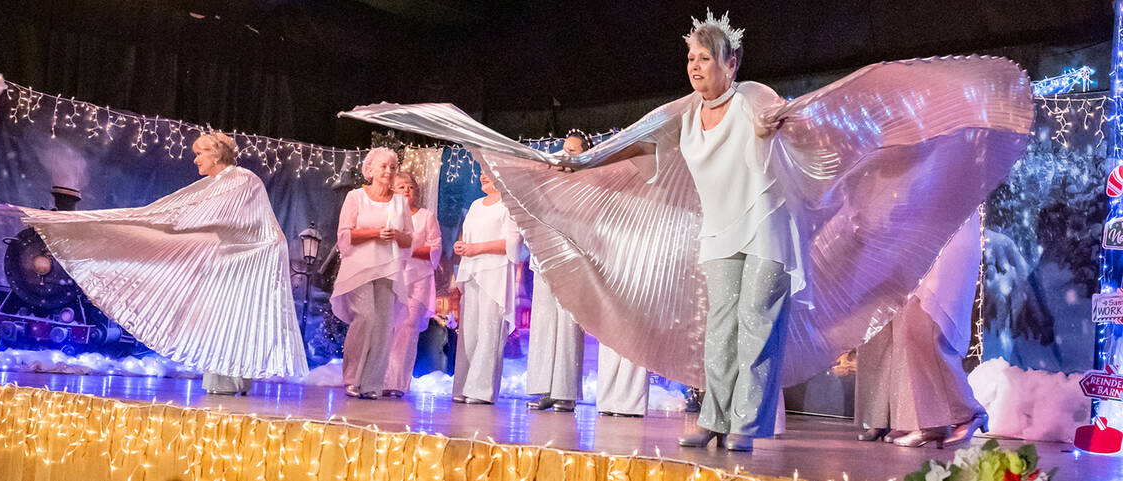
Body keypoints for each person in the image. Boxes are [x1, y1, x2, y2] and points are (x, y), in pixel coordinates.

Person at [340, 9, 1032, 450]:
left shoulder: (755, 98)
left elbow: (788, 122)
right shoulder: (681, 113)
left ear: (732, 63)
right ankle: (716, 419)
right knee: (716, 333)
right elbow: (632, 142)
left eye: (708, 58)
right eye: (692, 60)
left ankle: (740, 426)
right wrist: (579, 159)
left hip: (765, 237)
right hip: (717, 240)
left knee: (754, 334)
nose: (698, 68)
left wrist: (779, 125)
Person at [3, 132, 309, 392]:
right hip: (233, 254)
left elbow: (222, 218)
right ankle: (225, 381)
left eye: (200, 153)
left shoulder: (240, 179)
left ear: (216, 156)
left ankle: (231, 381)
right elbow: (198, 213)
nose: (195, 159)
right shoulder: (222, 182)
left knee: (229, 316)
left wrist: (161, 223)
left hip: (251, 257)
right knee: (220, 316)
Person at [855, 214, 988, 447]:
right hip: (920, 228)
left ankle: (962, 414)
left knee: (926, 324)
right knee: (900, 322)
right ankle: (915, 418)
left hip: (945, 230)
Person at [331, 147, 414, 399]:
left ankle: (372, 383)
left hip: (388, 268)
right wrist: (375, 232)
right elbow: (344, 234)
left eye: (392, 167)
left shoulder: (400, 202)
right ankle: (352, 377)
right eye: (383, 166)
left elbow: (409, 239)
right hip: (359, 267)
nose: (388, 171)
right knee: (365, 317)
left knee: (383, 324)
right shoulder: (356, 197)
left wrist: (396, 235)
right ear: (370, 170)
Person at [526, 132, 591, 412]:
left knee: (568, 324)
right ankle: (544, 388)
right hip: (544, 257)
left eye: (574, 151)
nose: (567, 155)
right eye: (565, 149)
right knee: (543, 323)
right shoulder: (546, 182)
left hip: (571, 260)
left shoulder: (588, 184)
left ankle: (565, 391)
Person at [451, 172, 524, 404]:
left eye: (488, 171)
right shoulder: (475, 205)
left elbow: (513, 243)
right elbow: (469, 236)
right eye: (480, 171)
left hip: (495, 272)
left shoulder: (509, 204)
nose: (483, 176)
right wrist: (462, 246)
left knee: (489, 331)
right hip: (473, 270)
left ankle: (481, 390)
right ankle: (463, 385)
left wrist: (477, 249)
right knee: (470, 331)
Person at [382, 172, 442, 398]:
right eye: (401, 187)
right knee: (387, 330)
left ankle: (397, 384)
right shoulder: (387, 216)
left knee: (407, 330)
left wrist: (407, 250)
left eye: (411, 187)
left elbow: (435, 249)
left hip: (418, 280)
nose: (407, 190)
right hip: (392, 278)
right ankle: (379, 379)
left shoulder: (426, 217)